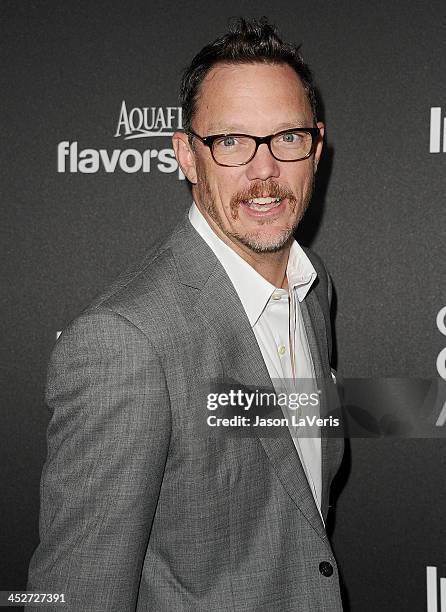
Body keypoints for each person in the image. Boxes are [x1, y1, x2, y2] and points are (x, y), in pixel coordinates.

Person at [28, 17, 344, 611]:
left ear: (316, 147)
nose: (264, 171)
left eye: (287, 138)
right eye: (230, 142)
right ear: (185, 157)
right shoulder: (126, 343)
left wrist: (416, 408)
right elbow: (75, 595)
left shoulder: (313, 285)